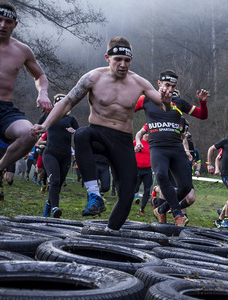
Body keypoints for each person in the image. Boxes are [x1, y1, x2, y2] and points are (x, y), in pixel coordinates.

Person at [31, 36, 172, 231]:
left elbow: (165, 107)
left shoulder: (139, 82)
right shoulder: (93, 77)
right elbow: (67, 103)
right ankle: (94, 195)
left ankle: (110, 232)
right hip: (97, 134)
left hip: (122, 140)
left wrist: (166, 100)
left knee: (127, 195)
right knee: (81, 134)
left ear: (131, 60)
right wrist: (45, 125)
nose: (122, 65)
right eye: (118, 60)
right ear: (107, 57)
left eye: (127, 60)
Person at [0, 2, 52, 200]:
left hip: (5, 109)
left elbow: (40, 76)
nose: (3, 25)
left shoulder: (22, 50)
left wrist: (43, 93)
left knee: (30, 133)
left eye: (8, 21)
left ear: (15, 25)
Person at [135, 70, 209, 226]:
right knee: (161, 175)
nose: (169, 90)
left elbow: (202, 115)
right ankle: (177, 214)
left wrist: (202, 102)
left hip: (176, 149)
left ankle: (161, 210)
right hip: (158, 149)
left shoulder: (179, 102)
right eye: (167, 85)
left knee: (185, 187)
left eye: (173, 86)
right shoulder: (145, 99)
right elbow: (125, 108)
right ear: (159, 83)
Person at [36, 94, 78, 217]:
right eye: (58, 104)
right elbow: (35, 129)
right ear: (54, 105)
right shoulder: (47, 116)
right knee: (54, 180)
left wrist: (75, 132)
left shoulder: (71, 119)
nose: (61, 107)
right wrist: (37, 142)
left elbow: (81, 135)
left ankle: (49, 204)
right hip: (50, 153)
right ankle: (55, 208)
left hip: (65, 155)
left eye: (63, 104)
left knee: (58, 184)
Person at [133, 129, 152, 215]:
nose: (147, 135)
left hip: (147, 170)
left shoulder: (152, 145)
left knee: (147, 190)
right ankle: (126, 205)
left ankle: (142, 209)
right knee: (135, 188)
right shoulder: (136, 143)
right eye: (146, 134)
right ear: (143, 134)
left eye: (149, 134)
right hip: (137, 169)